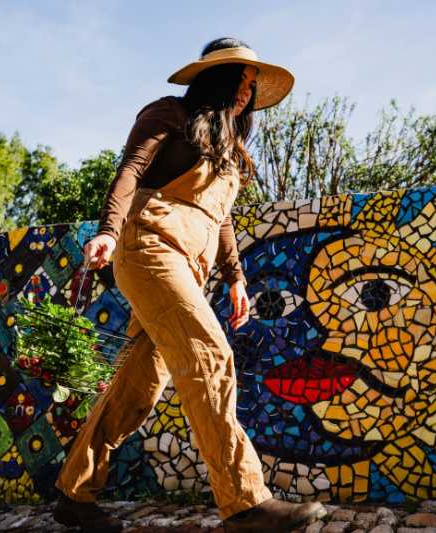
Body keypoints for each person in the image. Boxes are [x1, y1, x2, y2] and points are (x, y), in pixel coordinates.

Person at [53, 37, 327, 533]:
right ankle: (245, 502)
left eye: (252, 85)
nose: (247, 91)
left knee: (138, 388)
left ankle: (75, 492)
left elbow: (220, 221)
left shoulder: (228, 152)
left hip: (189, 270)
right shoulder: (168, 114)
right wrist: (109, 232)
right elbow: (130, 171)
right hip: (148, 249)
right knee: (210, 355)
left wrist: (237, 279)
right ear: (217, 78)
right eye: (241, 80)